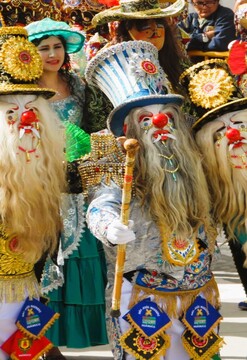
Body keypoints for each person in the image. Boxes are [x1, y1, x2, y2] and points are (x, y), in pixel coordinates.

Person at [83, 40, 223, 360]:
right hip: (143, 292)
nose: (160, 125)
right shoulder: (120, 163)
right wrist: (109, 226)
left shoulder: (195, 158)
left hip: (197, 290)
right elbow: (101, 202)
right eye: (146, 119)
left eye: (166, 116)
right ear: (130, 128)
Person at [25, 17, 108, 358]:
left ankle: (59, 335)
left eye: (57, 46)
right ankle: (41, 338)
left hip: (77, 186)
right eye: (43, 48)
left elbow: (99, 128)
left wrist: (89, 155)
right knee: (39, 260)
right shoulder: (22, 90)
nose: (52, 54)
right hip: (36, 184)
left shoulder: (81, 86)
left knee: (77, 258)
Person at [0, 26, 66, 360]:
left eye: (31, 110)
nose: (25, 120)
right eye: (11, 112)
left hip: (25, 293)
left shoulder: (50, 169)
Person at [179, 59, 247, 312]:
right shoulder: (218, 190)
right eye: (220, 132)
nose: (233, 135)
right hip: (234, 208)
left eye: (239, 124)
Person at [84, 0, 191, 134]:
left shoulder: (180, 65)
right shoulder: (109, 69)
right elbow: (98, 124)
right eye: (143, 25)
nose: (155, 31)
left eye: (159, 23)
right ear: (127, 31)